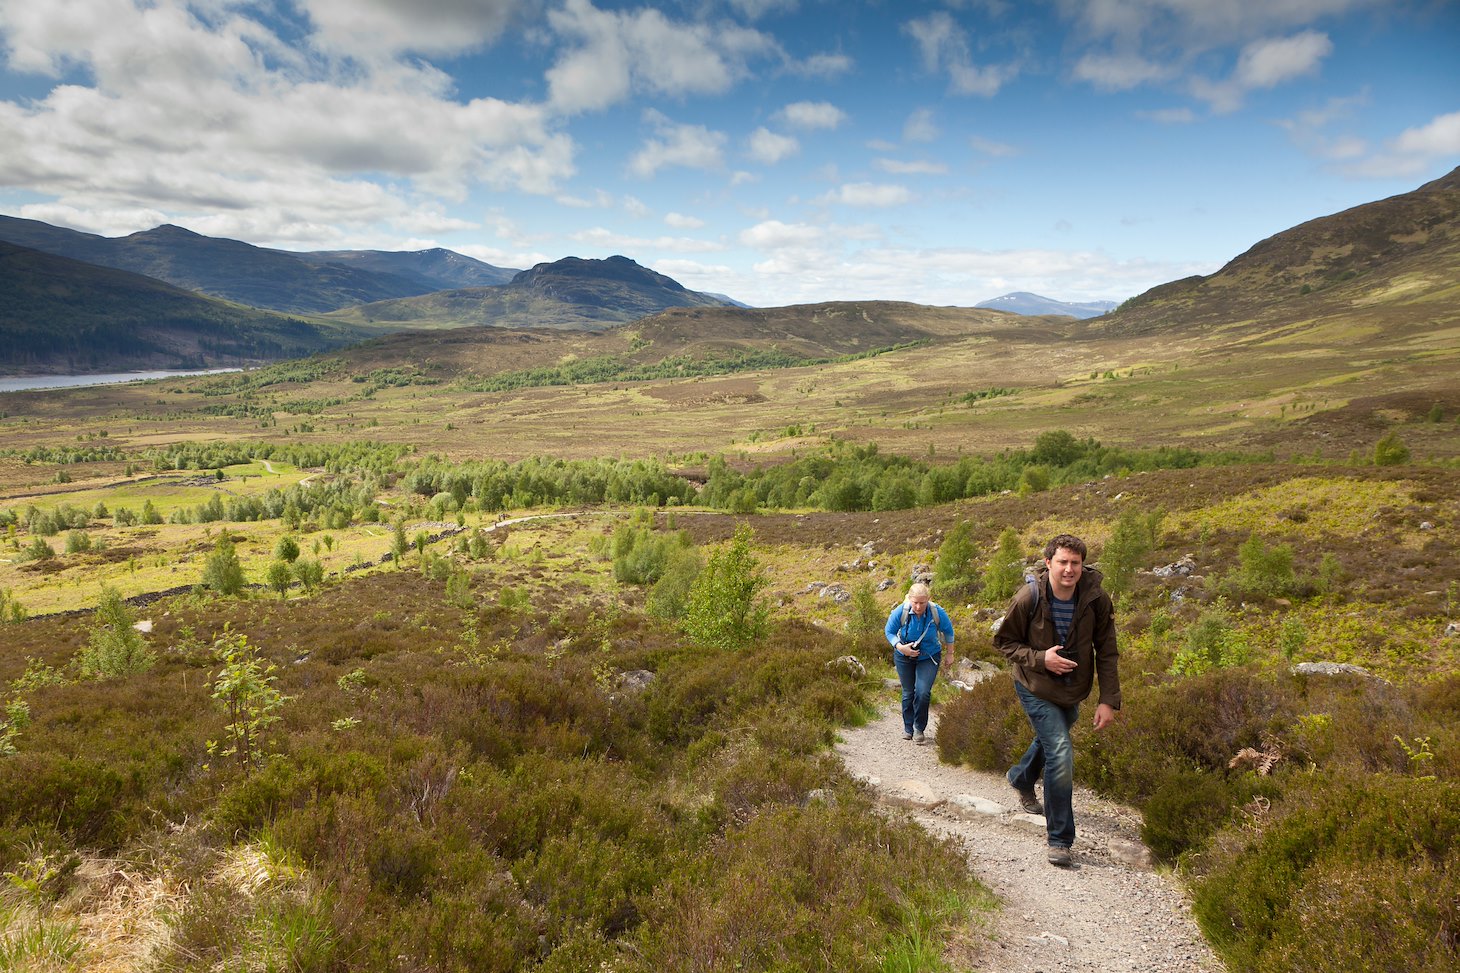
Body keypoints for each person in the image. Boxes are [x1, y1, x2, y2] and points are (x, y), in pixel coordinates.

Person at [994, 533, 1121, 867]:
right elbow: (1004, 642)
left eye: (1075, 563)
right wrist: (1041, 659)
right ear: (1048, 562)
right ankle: (1060, 839)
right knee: (1061, 751)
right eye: (1062, 562)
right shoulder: (1029, 596)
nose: (1069, 569)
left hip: (1073, 690)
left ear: (1083, 565)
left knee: (1052, 741)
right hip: (1034, 685)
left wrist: (1108, 700)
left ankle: (1021, 778)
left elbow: (1107, 651)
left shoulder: (1096, 599)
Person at [885, 581, 955, 745]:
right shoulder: (900, 611)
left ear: (928, 600)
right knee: (908, 692)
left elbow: (948, 632)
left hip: (929, 656)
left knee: (923, 692)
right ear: (909, 599)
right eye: (915, 602)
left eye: (922, 603)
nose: (918, 606)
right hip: (904, 656)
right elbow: (889, 631)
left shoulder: (936, 612)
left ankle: (919, 728)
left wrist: (950, 654)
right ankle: (908, 728)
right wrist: (900, 647)